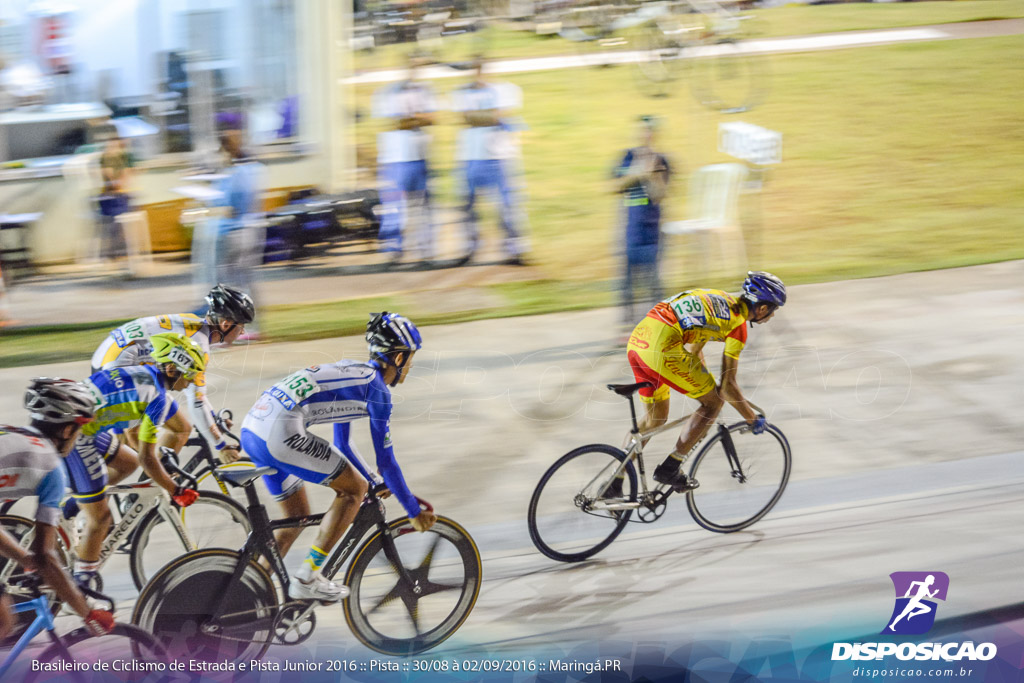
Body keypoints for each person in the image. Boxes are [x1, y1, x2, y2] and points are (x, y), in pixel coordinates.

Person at [240, 312, 437, 601]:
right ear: (397, 358)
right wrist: (412, 511)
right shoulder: (377, 392)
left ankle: (247, 593)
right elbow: (387, 462)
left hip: (254, 428)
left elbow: (342, 443)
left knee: (297, 517)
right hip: (279, 432)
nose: (409, 366)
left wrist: (373, 480)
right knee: (352, 490)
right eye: (409, 357)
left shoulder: (352, 370)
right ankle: (307, 577)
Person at [620, 272, 786, 493]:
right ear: (763, 308)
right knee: (714, 403)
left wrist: (705, 380)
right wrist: (751, 418)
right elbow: (728, 387)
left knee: (655, 418)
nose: (772, 316)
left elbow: (695, 347)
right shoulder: (738, 327)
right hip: (662, 346)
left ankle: (614, 480)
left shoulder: (720, 299)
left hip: (639, 340)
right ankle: (671, 467)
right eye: (774, 310)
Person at [66, 333, 202, 586]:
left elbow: (137, 442)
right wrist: (174, 489)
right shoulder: (158, 398)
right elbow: (149, 458)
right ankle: (81, 586)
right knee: (101, 519)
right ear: (172, 369)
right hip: (75, 435)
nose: (193, 380)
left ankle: (76, 503)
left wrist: (158, 467)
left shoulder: (146, 374)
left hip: (80, 420)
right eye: (190, 373)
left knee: (128, 463)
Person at [0, 379, 114, 640]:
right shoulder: (52, 468)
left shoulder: (11, 434)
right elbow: (46, 556)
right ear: (66, 431)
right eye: (79, 430)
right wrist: (88, 613)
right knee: (2, 623)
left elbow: (37, 558)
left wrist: (23, 558)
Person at [90, 284, 254, 462]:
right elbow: (197, 402)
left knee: (178, 429)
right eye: (242, 325)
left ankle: (156, 481)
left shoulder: (195, 326)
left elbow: (198, 396)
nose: (243, 331)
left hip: (110, 356)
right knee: (138, 445)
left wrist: (213, 421)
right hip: (117, 366)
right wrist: (220, 446)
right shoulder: (197, 344)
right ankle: (98, 480)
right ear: (226, 324)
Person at [451, 57, 530, 266]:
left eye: (481, 69)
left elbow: (497, 115)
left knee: (508, 206)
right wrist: (489, 116)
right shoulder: (461, 92)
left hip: (500, 156)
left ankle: (515, 250)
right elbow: (466, 118)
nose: (478, 74)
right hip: (470, 156)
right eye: (474, 69)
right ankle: (470, 248)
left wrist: (478, 117)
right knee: (467, 205)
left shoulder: (505, 89)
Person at [371, 54, 439, 265]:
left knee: (424, 205)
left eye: (418, 67)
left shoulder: (426, 90)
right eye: (412, 67)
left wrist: (412, 119)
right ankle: (393, 249)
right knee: (393, 205)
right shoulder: (387, 93)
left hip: (420, 156)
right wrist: (417, 119)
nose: (415, 72)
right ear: (404, 68)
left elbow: (434, 118)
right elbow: (394, 122)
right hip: (394, 159)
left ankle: (426, 249)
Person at [612, 115, 671, 330]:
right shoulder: (626, 157)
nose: (645, 135)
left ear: (655, 134)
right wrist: (635, 173)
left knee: (654, 281)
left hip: (652, 229)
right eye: (641, 130)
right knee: (627, 281)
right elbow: (612, 187)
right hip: (630, 227)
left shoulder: (662, 160)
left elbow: (660, 195)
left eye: (649, 131)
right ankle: (627, 326)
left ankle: (659, 327)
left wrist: (650, 175)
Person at [212, 127, 266, 315]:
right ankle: (255, 326)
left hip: (235, 231)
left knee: (228, 280)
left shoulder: (235, 175)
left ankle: (239, 325)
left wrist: (210, 203)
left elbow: (230, 207)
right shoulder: (253, 169)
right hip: (253, 229)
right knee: (246, 279)